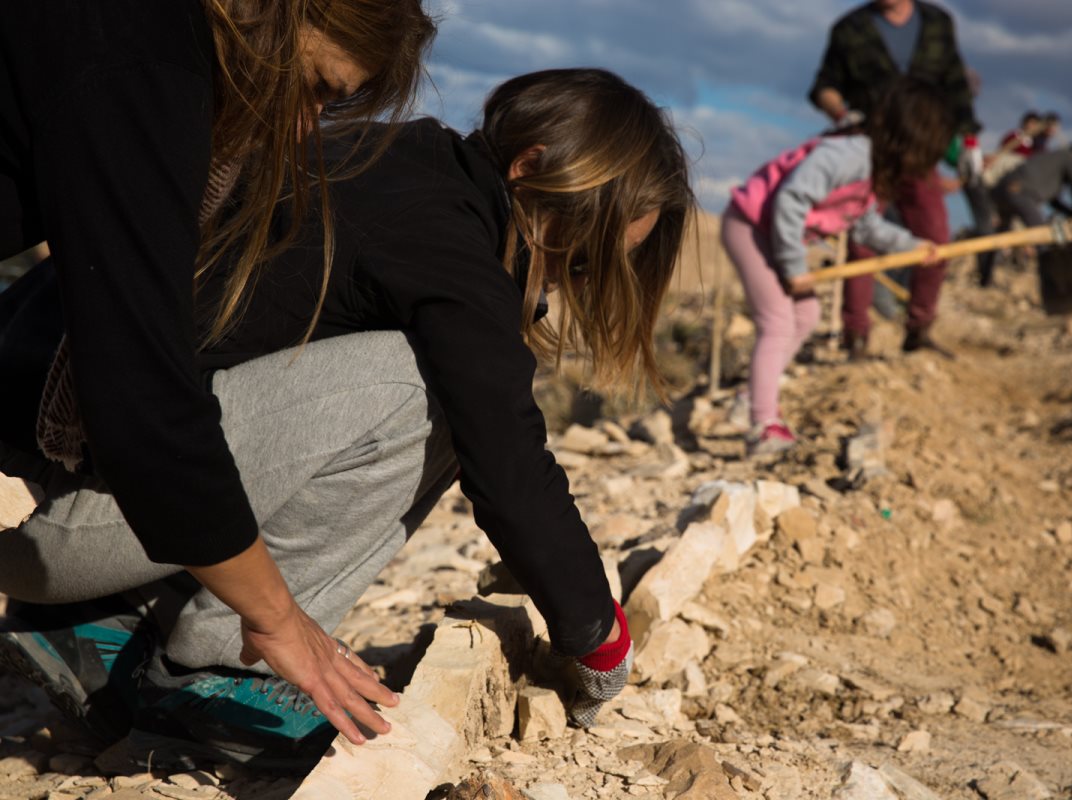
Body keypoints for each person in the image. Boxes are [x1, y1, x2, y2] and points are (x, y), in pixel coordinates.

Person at [3, 67, 692, 770]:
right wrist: (597, 633)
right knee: (426, 390)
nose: (570, 274)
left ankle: (97, 625)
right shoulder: (446, 242)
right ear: (531, 168)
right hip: (60, 514)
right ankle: (210, 675)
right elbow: (509, 461)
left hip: (58, 480)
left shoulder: (391, 160)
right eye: (579, 250)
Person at [0, 0, 437, 764]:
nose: (304, 126)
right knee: (413, 390)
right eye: (315, 86)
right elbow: (145, 399)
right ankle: (197, 676)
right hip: (48, 505)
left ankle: (111, 621)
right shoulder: (142, 60)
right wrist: (275, 618)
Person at [722, 78, 945, 453]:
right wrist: (793, 267)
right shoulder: (847, 156)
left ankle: (751, 397)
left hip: (773, 234)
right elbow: (791, 199)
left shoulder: (874, 172)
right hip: (749, 225)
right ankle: (763, 424)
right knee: (777, 320)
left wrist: (914, 245)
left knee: (806, 316)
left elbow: (866, 225)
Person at [809, 0, 980, 354]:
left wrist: (969, 141)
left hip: (921, 153)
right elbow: (823, 86)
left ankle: (919, 331)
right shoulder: (850, 29)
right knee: (861, 242)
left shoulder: (937, 23)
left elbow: (956, 87)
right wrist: (840, 111)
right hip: (868, 151)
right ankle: (855, 335)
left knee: (935, 237)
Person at [992, 143, 1072, 233]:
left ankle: (986, 271)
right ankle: (1049, 270)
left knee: (999, 236)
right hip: (1021, 192)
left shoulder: (1054, 163)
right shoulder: (1068, 158)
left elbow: (1055, 202)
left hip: (1003, 190)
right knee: (1040, 235)